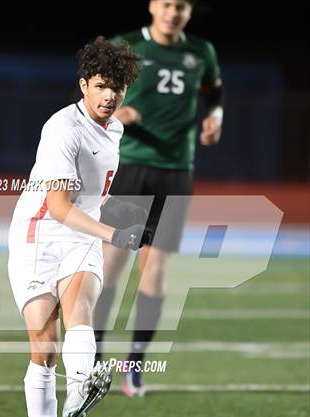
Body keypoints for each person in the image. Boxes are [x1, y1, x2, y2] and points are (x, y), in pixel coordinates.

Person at [8, 37, 147, 417]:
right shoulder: (61, 130)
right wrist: (115, 234)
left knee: (81, 310)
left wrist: (108, 225)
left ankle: (82, 386)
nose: (110, 96)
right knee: (44, 345)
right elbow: (61, 207)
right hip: (40, 235)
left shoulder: (116, 128)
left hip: (80, 237)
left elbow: (87, 203)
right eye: (103, 85)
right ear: (83, 84)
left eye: (118, 87)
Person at [95, 0, 224, 396]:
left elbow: (214, 91)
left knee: (157, 268)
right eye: (166, 4)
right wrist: (117, 114)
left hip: (176, 170)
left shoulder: (201, 52)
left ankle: (135, 363)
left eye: (181, 6)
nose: (173, 12)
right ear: (153, 6)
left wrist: (215, 117)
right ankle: (93, 358)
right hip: (131, 168)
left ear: (189, 11)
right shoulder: (128, 46)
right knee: (111, 266)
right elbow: (96, 94)